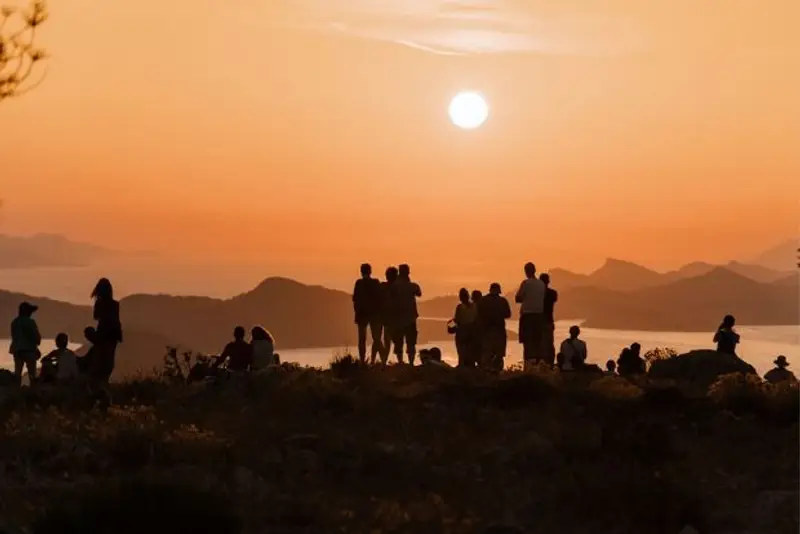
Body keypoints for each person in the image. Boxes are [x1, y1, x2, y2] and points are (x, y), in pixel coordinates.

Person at [91, 278, 123, 383]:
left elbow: (96, 317)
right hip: (112, 334)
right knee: (108, 361)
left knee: (101, 360)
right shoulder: (114, 304)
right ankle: (104, 381)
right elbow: (116, 320)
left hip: (103, 334)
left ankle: (100, 382)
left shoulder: (100, 303)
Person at [352, 263, 384, 364]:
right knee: (377, 339)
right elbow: (380, 298)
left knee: (362, 340)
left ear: (361, 272)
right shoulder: (375, 282)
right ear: (370, 271)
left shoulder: (359, 283)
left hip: (362, 314)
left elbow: (355, 299)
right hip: (374, 314)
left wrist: (357, 311)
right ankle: (383, 360)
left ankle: (362, 361)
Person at [515, 262, 546, 366]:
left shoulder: (526, 283)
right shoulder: (541, 284)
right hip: (539, 316)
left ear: (526, 271)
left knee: (527, 343)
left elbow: (518, 298)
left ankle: (528, 366)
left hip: (527, 316)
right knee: (537, 343)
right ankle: (537, 366)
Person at [477, 283, 512, 371]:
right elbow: (508, 314)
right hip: (499, 332)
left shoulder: (483, 300)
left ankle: (485, 375)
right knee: (499, 357)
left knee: (486, 356)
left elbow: (478, 314)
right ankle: (498, 375)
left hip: (486, 332)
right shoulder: (502, 301)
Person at [392, 264, 422, 365]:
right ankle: (411, 363)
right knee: (411, 342)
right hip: (410, 318)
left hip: (398, 318)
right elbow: (419, 292)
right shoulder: (411, 286)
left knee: (399, 342)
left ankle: (400, 362)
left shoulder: (395, 285)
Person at [9, 301, 41, 386]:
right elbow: (35, 337)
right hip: (29, 350)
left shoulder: (14, 322)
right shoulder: (30, 322)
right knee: (32, 373)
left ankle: (16, 390)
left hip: (17, 350)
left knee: (17, 373)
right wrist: (37, 345)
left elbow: (15, 337)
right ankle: (33, 391)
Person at [451, 288, 478, 367]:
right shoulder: (474, 306)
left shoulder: (460, 307)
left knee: (461, 354)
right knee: (470, 354)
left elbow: (457, 320)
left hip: (462, 332)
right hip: (472, 332)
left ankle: (462, 370)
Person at [379, 266, 399, 364]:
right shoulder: (397, 287)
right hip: (395, 318)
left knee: (387, 341)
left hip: (386, 317)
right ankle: (398, 361)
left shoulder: (383, 286)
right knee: (395, 341)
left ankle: (384, 361)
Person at [540, 273, 558, 366]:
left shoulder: (537, 294)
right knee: (549, 345)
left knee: (539, 345)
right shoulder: (552, 293)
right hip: (548, 321)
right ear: (548, 281)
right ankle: (549, 365)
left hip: (539, 321)